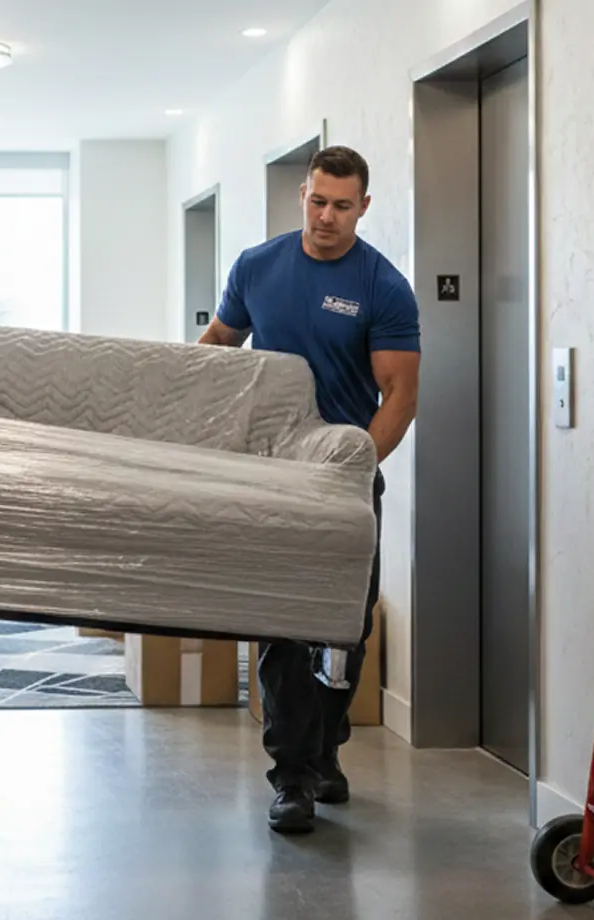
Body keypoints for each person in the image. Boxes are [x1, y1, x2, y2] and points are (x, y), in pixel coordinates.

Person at [198, 145, 420, 833]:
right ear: (303, 194)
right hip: (273, 474)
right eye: (318, 201)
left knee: (348, 622)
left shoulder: (382, 285)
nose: (327, 217)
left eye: (342, 206)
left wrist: (355, 465)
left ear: (364, 206)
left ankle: (326, 752)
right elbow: (217, 347)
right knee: (285, 623)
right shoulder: (258, 265)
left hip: (346, 477)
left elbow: (399, 393)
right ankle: (291, 775)